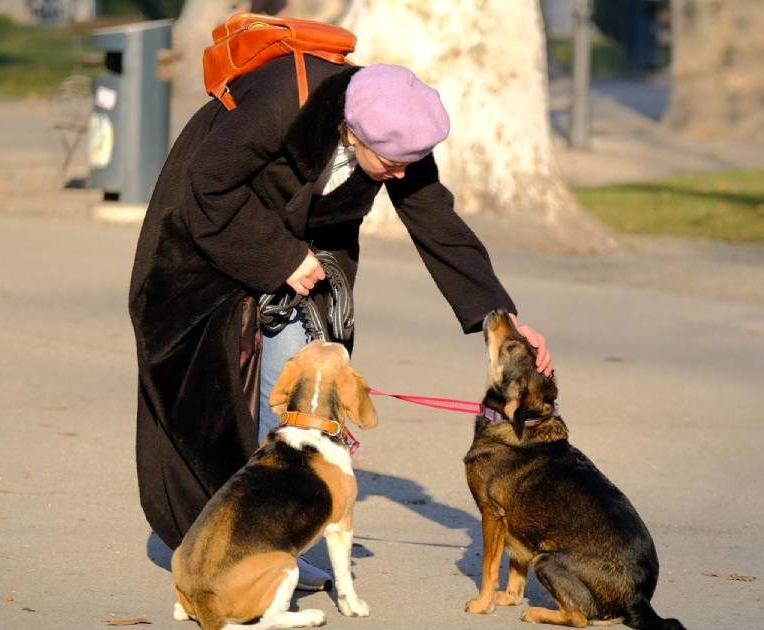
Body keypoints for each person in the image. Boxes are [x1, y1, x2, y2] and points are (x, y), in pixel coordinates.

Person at [128, 59, 553, 585]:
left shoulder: (396, 130)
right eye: (391, 163)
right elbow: (207, 182)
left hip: (307, 264)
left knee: (299, 406)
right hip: (205, 240)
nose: (402, 174)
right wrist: (280, 257)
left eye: (411, 162)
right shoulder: (281, 102)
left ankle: (271, 543)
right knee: (207, 408)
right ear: (351, 132)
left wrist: (500, 317)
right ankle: (216, 550)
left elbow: (436, 221)